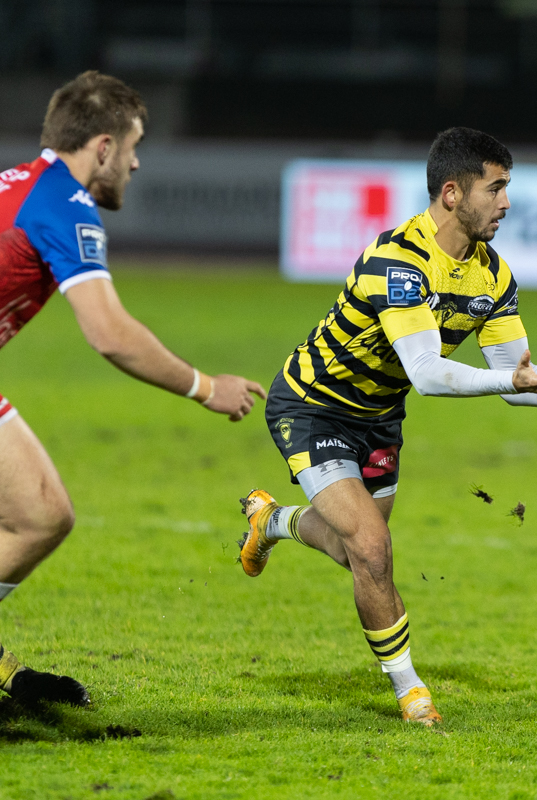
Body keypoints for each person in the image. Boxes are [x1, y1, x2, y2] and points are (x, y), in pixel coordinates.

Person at [237, 127, 537, 726]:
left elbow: (518, 382)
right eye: (497, 187)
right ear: (453, 193)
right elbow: (429, 374)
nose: (507, 202)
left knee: (353, 551)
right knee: (372, 548)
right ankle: (411, 692)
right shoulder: (399, 261)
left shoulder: (493, 277)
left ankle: (272, 521)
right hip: (314, 407)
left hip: (380, 419)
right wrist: (513, 380)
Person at [0, 72, 265, 706]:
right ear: (102, 147)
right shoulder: (63, 203)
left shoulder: (20, 185)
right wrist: (205, 386)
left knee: (38, 512)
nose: (137, 162)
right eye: (133, 146)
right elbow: (110, 333)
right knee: (40, 515)